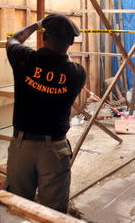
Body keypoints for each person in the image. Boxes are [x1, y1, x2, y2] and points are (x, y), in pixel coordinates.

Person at [5, 14, 86, 213]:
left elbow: (12, 40)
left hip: (21, 146)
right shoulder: (77, 73)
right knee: (54, 212)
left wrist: (35, 25)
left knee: (18, 207)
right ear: (72, 41)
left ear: (43, 37)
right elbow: (61, 65)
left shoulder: (25, 59)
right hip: (54, 150)